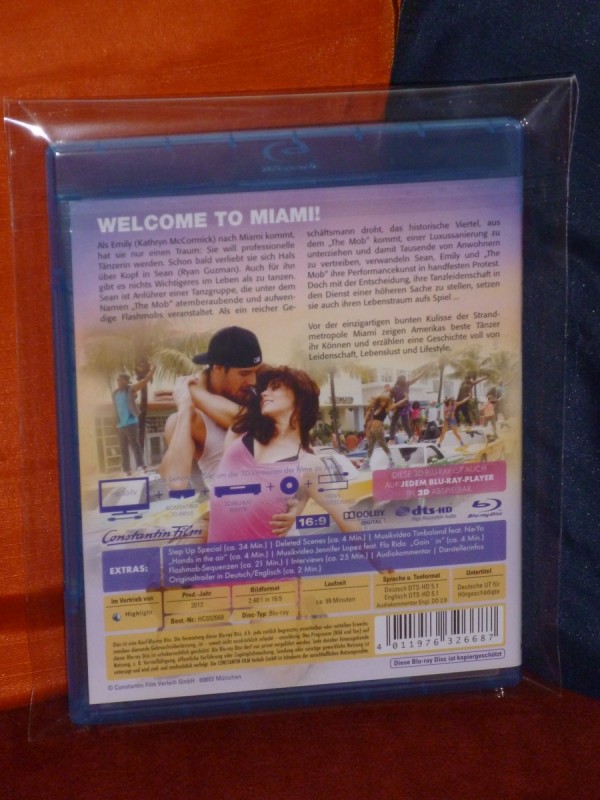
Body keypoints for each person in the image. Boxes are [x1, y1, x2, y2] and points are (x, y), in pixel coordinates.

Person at [207, 366, 361, 542]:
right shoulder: (238, 436)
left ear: (300, 398)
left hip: (268, 558)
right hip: (217, 557)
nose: (264, 393)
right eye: (264, 389)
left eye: (275, 387)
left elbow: (343, 515)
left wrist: (376, 556)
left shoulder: (308, 464)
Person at [160, 326, 262, 494]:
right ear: (218, 368)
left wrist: (195, 391)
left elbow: (244, 420)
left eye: (255, 372)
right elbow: (176, 482)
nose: (253, 381)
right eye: (244, 374)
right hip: (232, 507)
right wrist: (185, 409)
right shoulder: (192, 419)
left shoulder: (265, 397)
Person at [112, 365, 155, 475]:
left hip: (131, 422)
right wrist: (116, 422)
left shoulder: (130, 390)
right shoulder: (115, 393)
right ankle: (126, 470)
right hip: (120, 425)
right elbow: (116, 409)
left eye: (121, 380)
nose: (118, 382)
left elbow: (144, 381)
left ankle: (140, 466)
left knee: (135, 445)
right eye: (118, 380)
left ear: (126, 381)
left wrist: (152, 370)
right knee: (123, 448)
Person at [388, 369, 427, 439]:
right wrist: (392, 406)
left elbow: (416, 378)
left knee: (405, 423)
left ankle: (411, 437)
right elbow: (389, 399)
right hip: (397, 407)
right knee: (393, 422)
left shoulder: (406, 384)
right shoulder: (393, 389)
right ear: (399, 379)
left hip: (405, 407)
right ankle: (391, 438)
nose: (404, 380)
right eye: (403, 379)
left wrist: (424, 372)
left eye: (405, 379)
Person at [364, 394, 394, 465]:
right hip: (372, 429)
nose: (383, 403)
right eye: (382, 401)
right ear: (379, 401)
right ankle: (367, 462)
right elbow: (371, 420)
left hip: (379, 429)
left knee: (383, 444)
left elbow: (393, 406)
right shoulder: (374, 409)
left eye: (385, 402)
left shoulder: (386, 409)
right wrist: (367, 429)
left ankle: (391, 459)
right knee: (370, 446)